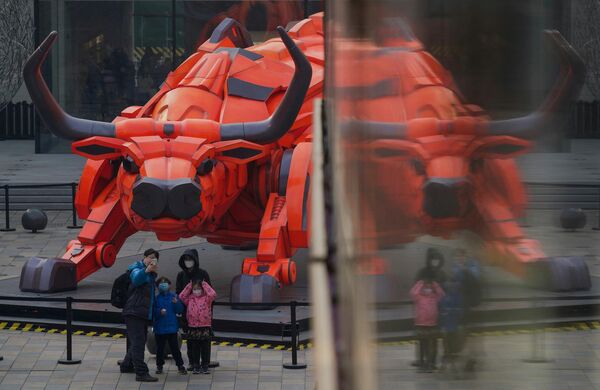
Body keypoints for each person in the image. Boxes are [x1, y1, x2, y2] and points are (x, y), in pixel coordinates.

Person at [120, 248, 159, 382]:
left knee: (138, 340)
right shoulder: (136, 268)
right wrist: (146, 270)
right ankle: (141, 372)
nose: (151, 260)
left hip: (142, 313)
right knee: (138, 343)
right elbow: (136, 280)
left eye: (154, 258)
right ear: (144, 257)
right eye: (149, 257)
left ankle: (127, 365)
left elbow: (151, 298)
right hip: (134, 311)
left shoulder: (152, 275)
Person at [175, 248, 212, 369]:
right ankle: (192, 361)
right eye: (186, 259)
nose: (188, 261)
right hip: (188, 313)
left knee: (205, 341)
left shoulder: (203, 273)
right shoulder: (181, 275)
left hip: (203, 314)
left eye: (190, 259)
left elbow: (211, 293)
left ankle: (205, 362)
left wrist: (209, 312)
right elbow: (179, 294)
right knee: (191, 340)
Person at [412, 248, 446, 367]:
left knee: (433, 337)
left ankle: (431, 360)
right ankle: (423, 359)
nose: (434, 262)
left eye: (436, 259)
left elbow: (443, 293)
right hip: (423, 311)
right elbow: (415, 290)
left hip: (436, 310)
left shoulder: (441, 273)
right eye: (432, 259)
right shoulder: (423, 272)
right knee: (422, 337)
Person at [179, 279, 217, 374]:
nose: (197, 291)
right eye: (195, 289)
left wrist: (204, 284)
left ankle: (205, 365)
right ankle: (196, 365)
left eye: (199, 289)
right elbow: (182, 296)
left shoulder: (207, 299)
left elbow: (213, 294)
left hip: (205, 327)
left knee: (205, 348)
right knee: (195, 348)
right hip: (193, 327)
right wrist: (190, 285)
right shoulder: (190, 299)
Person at [410, 273, 444, 373]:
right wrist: (420, 283)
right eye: (426, 285)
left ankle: (431, 363)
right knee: (422, 344)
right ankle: (422, 363)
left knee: (432, 344)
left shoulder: (435, 296)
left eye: (430, 286)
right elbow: (413, 293)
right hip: (421, 324)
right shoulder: (419, 296)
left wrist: (435, 284)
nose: (428, 287)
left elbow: (442, 294)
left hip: (432, 324)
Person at [153, 276, 187, 375]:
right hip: (159, 328)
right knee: (160, 349)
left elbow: (180, 310)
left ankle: (180, 365)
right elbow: (153, 312)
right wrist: (159, 312)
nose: (163, 285)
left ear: (169, 285)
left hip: (172, 328)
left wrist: (177, 304)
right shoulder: (156, 298)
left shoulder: (174, 296)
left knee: (175, 349)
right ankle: (159, 366)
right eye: (161, 283)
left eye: (165, 283)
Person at [438, 277, 465, 376]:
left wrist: (451, 311)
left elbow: (460, 311)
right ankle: (446, 366)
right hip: (447, 326)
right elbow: (441, 311)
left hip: (453, 326)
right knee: (447, 347)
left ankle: (451, 366)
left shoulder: (457, 296)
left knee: (452, 347)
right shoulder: (444, 297)